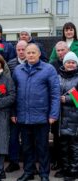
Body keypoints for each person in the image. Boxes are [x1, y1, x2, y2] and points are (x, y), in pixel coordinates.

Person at [12, 43, 60, 181]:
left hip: (42, 117)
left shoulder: (48, 69)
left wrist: (53, 114)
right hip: (23, 116)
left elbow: (55, 94)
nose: (31, 55)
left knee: (42, 148)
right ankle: (28, 171)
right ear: (25, 55)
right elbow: (13, 93)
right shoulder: (18, 70)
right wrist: (14, 113)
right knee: (26, 147)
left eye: (34, 52)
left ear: (39, 54)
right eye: (28, 53)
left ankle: (44, 174)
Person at [6, 40, 28, 173]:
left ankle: (28, 163)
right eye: (18, 49)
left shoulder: (34, 63)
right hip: (14, 106)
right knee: (13, 138)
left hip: (28, 109)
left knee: (27, 139)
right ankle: (13, 162)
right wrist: (12, 112)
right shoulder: (10, 64)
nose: (21, 52)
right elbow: (10, 89)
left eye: (23, 49)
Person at [50, 41, 69, 177]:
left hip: (71, 111)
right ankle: (58, 161)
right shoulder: (53, 66)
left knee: (71, 140)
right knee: (57, 137)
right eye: (58, 50)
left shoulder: (74, 65)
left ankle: (69, 165)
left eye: (63, 50)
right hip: (57, 109)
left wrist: (66, 99)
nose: (61, 52)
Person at [58, 51, 78, 181]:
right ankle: (65, 169)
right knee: (63, 146)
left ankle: (73, 171)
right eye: (68, 62)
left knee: (74, 147)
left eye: (73, 62)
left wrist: (67, 99)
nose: (70, 64)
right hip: (60, 118)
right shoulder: (57, 76)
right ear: (64, 64)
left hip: (74, 118)